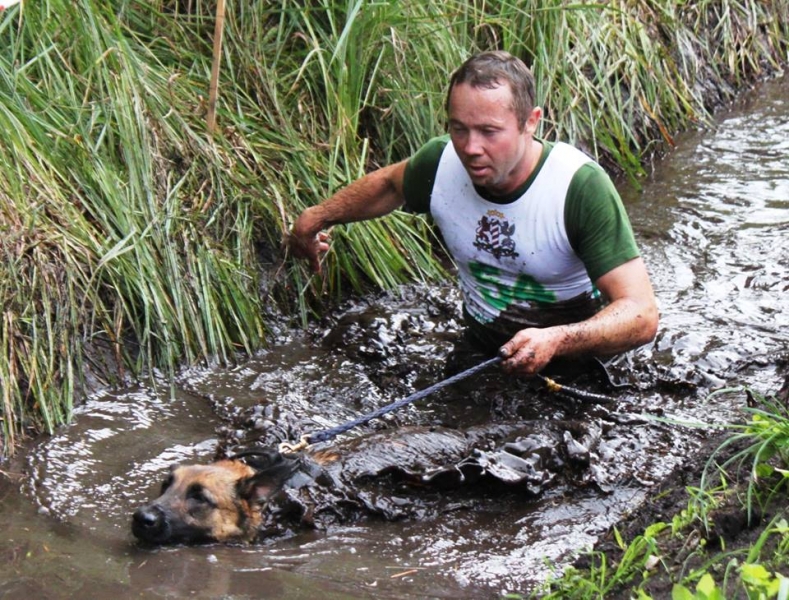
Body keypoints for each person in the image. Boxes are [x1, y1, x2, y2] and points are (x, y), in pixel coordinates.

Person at [287, 50, 658, 377]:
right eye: (458, 129)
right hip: (483, 353)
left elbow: (641, 314)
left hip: (579, 364)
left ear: (531, 122)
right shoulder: (441, 163)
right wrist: (318, 216)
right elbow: (388, 185)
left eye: (489, 131)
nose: (470, 148)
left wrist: (558, 339)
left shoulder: (577, 188)